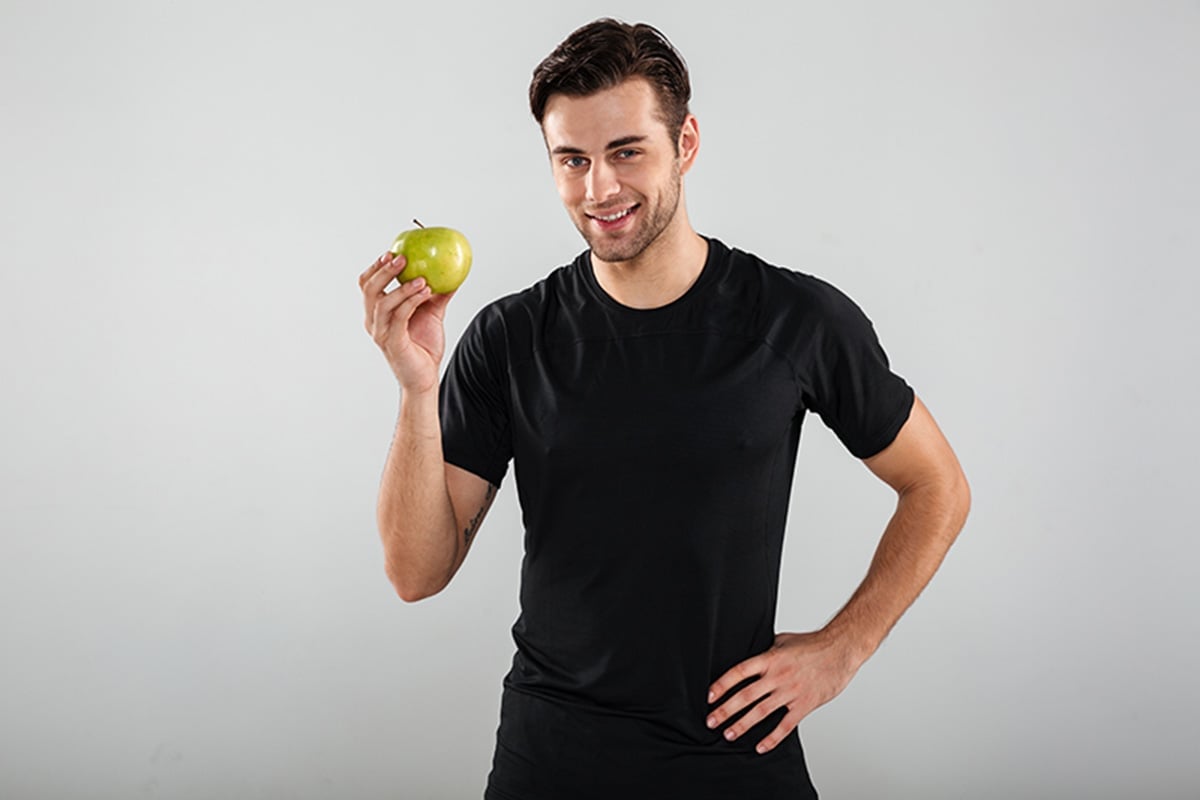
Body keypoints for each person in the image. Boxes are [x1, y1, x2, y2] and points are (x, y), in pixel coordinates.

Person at [359, 17, 970, 800]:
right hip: (552, 759)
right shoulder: (511, 335)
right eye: (571, 160)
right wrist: (416, 389)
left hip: (734, 754)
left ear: (685, 144)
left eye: (626, 152)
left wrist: (841, 650)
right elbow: (415, 573)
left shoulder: (793, 320)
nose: (598, 189)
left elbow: (938, 485)